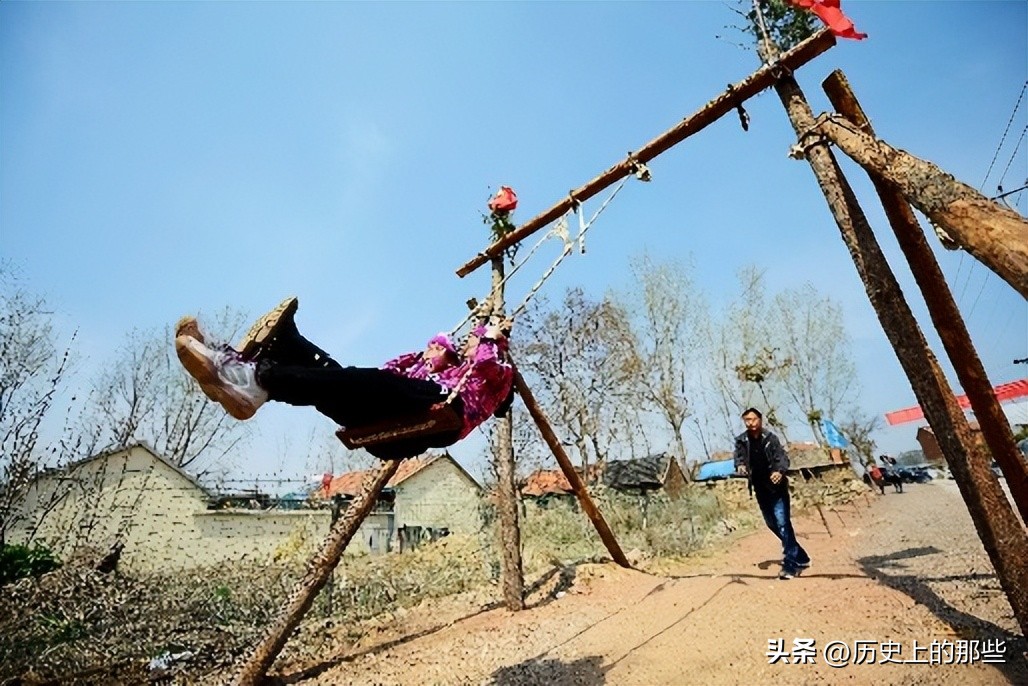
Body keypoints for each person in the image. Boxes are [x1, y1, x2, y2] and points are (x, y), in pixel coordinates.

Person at [174, 298, 514, 460]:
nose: (468, 338)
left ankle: (254, 373)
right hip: (391, 417)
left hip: (442, 417)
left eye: (474, 335)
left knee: (370, 382)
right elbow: (390, 368)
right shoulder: (442, 368)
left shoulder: (496, 375)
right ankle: (262, 363)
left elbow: (486, 363)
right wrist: (428, 356)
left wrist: (492, 334)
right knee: (340, 384)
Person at [733, 407, 811, 579]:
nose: (751, 423)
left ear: (760, 420)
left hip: (777, 488)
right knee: (772, 524)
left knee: (783, 523)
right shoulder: (741, 441)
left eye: (754, 419)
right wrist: (740, 466)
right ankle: (801, 556)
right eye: (747, 420)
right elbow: (738, 459)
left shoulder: (770, 439)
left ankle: (791, 565)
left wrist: (779, 471)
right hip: (760, 488)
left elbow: (782, 458)